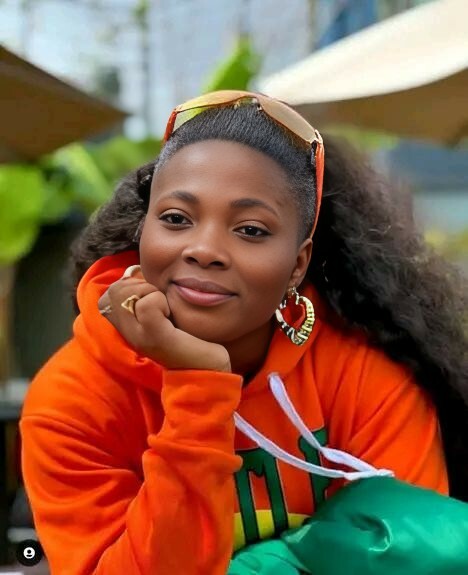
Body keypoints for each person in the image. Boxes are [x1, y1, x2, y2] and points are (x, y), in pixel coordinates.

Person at [20, 91, 467, 575]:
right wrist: (198, 385)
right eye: (176, 219)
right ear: (143, 229)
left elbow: (423, 557)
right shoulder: (74, 399)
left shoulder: (359, 376)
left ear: (297, 264)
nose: (204, 249)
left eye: (251, 229)